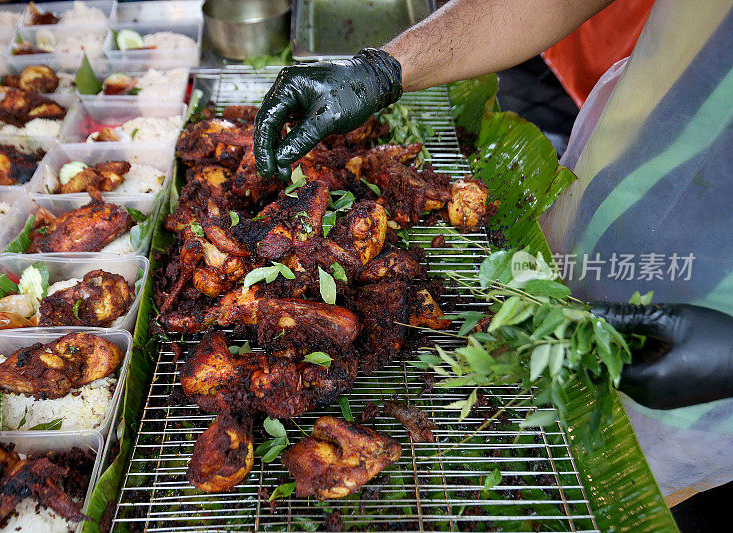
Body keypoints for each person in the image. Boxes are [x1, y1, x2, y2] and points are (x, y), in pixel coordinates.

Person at [253, 0, 733, 506]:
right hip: (615, 188)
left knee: (612, 489)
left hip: (711, 347)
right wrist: (384, 68)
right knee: (512, 406)